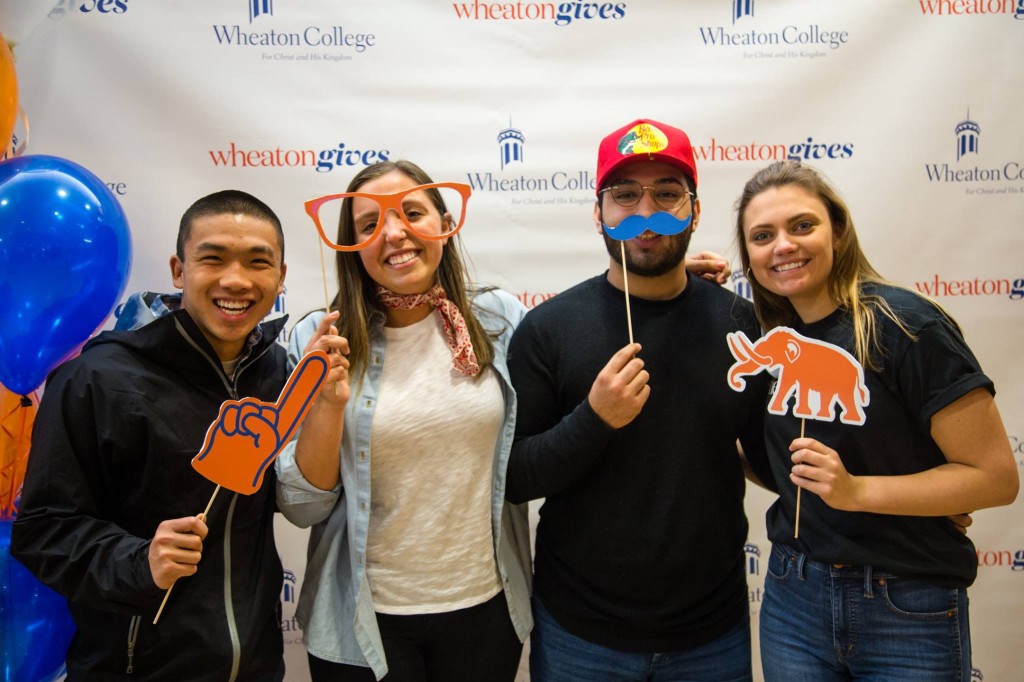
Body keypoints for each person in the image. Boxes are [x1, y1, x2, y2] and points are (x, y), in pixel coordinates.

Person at [506, 118, 772, 682]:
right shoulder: (548, 329)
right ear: (598, 211)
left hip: (712, 633)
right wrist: (594, 419)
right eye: (625, 195)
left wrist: (892, 495)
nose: (645, 213)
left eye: (667, 194)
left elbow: (775, 455)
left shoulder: (741, 324)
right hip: (580, 632)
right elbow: (514, 478)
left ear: (695, 211)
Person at [733, 159, 1019, 681]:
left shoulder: (906, 325)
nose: (783, 246)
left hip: (905, 601)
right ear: (749, 256)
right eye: (762, 235)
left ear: (838, 232)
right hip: (793, 598)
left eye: (802, 225)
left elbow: (995, 478)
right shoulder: (773, 335)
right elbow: (786, 472)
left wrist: (857, 491)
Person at [11, 190, 298, 680]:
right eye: (213, 259)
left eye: (258, 262)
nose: (236, 280)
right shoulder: (95, 379)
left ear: (280, 276)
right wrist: (139, 561)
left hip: (258, 666)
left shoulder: (279, 375)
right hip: (133, 668)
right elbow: (43, 530)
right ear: (178, 271)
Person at [274, 159, 534, 682]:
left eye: (412, 213)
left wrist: (668, 283)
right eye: (369, 224)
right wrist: (328, 403)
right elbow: (302, 507)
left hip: (485, 608)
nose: (393, 233)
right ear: (352, 246)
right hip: (361, 622)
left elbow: (579, 352)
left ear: (444, 223)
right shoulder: (318, 340)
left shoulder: (499, 319)